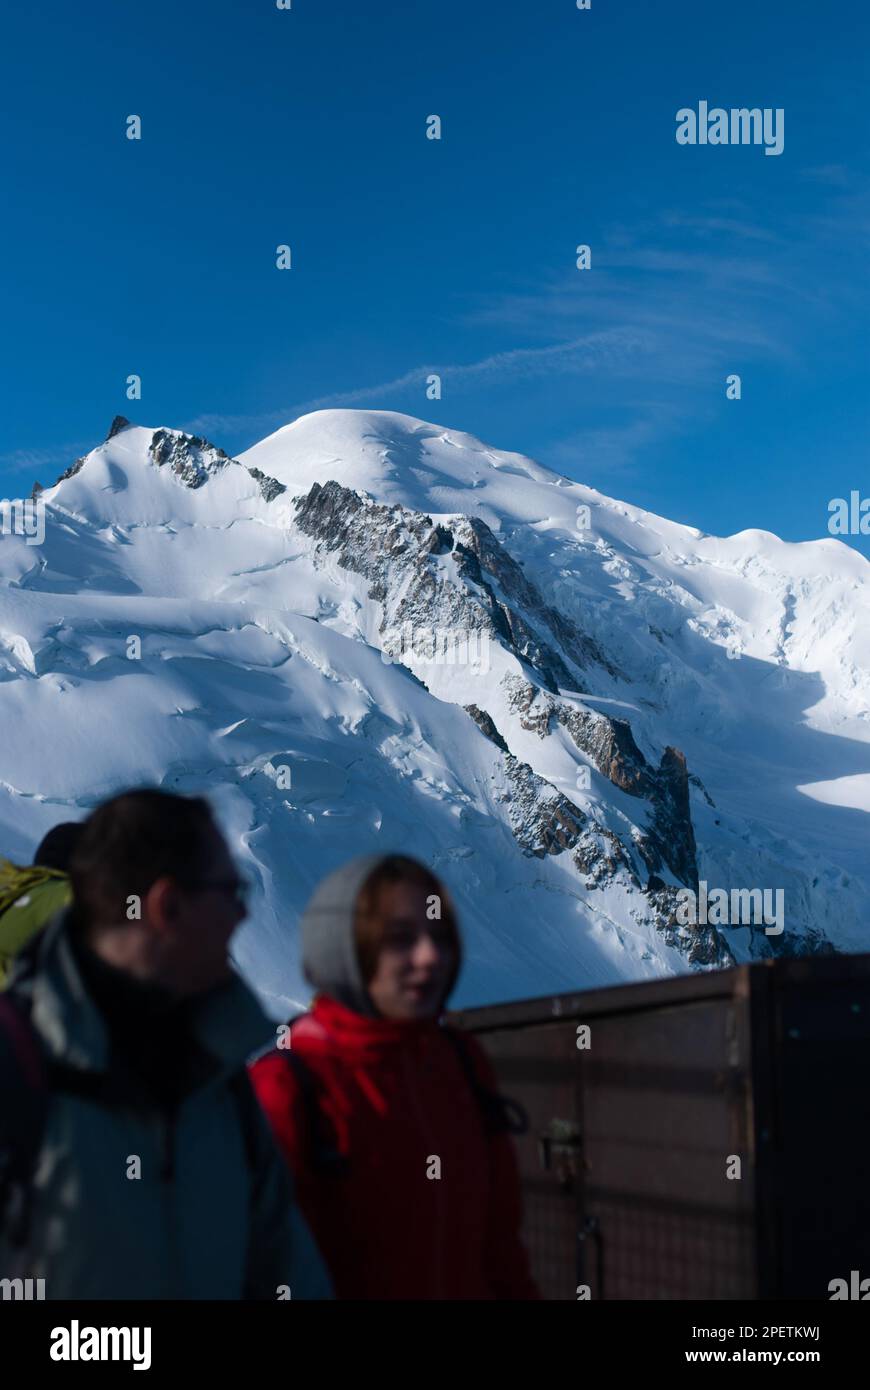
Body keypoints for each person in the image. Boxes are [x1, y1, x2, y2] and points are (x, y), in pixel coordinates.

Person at [0, 789, 331, 1300]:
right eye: (230, 891)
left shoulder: (219, 1081)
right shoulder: (17, 1069)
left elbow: (284, 1269)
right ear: (168, 905)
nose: (242, 916)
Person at [250, 853, 539, 1300]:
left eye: (441, 937)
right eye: (400, 939)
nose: (430, 957)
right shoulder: (288, 1086)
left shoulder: (460, 1062)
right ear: (344, 951)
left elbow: (500, 1247)